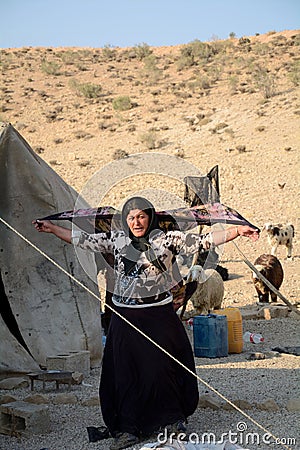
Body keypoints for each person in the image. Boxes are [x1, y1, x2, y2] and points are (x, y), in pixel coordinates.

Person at [33, 196, 259, 450]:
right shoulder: (115, 240)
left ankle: (172, 421)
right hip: (125, 316)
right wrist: (52, 229)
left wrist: (238, 231)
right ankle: (128, 429)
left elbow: (204, 240)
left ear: (150, 217)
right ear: (125, 220)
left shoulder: (166, 239)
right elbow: (83, 240)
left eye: (141, 216)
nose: (136, 222)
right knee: (125, 371)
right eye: (131, 217)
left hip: (159, 314)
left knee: (164, 367)